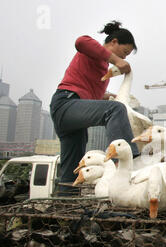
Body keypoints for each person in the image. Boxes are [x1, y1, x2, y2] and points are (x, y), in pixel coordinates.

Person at [50, 20, 140, 196]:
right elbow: (80, 42)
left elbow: (89, 93)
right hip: (66, 103)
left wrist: (108, 96)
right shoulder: (94, 52)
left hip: (73, 120)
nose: (124, 58)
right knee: (115, 109)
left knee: (72, 175)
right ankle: (128, 160)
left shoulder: (103, 68)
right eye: (124, 52)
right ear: (113, 42)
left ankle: (66, 215)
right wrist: (115, 60)